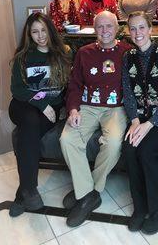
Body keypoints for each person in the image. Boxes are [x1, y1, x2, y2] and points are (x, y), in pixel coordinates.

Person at [60, 11, 130, 228]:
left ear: (116, 27)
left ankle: (89, 191)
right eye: (100, 27)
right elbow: (74, 84)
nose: (105, 31)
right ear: (94, 28)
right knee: (67, 139)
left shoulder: (128, 52)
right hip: (87, 106)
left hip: (115, 108)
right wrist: (73, 109)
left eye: (109, 26)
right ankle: (89, 193)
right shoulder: (84, 52)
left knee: (113, 143)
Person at [8, 12, 71, 217]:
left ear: (50, 30)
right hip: (23, 105)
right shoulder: (22, 57)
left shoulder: (63, 53)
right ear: (29, 34)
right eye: (35, 32)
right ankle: (29, 189)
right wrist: (43, 104)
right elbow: (17, 89)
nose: (40, 35)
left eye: (43, 30)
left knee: (28, 133)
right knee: (30, 120)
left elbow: (69, 86)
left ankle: (24, 192)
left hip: (49, 110)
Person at [122, 11, 158, 235]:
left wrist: (148, 124)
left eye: (142, 27)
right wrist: (135, 121)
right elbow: (127, 92)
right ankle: (140, 206)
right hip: (140, 118)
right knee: (128, 148)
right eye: (133, 28)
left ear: (150, 29)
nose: (138, 33)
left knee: (146, 150)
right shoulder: (128, 57)